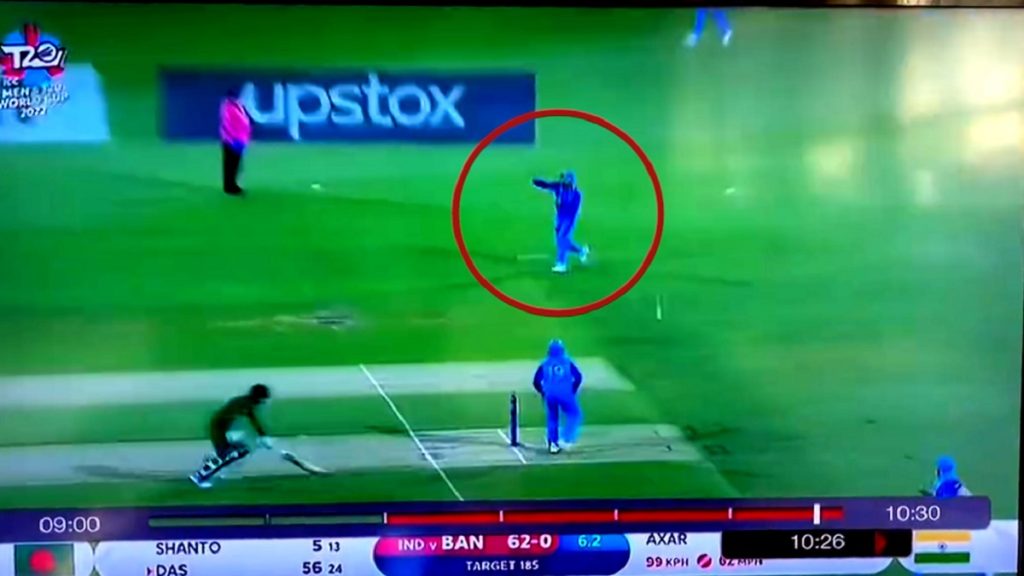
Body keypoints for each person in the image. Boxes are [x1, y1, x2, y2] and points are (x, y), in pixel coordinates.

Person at [189, 383, 273, 488]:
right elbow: (228, 417)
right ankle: (199, 476)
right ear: (258, 397)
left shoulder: (245, 402)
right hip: (219, 428)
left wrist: (262, 435)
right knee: (229, 454)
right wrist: (230, 434)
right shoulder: (244, 404)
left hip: (220, 427)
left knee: (241, 450)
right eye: (262, 399)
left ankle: (214, 461)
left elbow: (252, 418)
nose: (263, 402)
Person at [532, 171, 590, 274]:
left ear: (571, 182)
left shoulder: (576, 195)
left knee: (562, 239)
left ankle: (561, 264)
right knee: (561, 241)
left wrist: (567, 221)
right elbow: (547, 185)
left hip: (569, 219)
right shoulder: (559, 187)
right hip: (559, 218)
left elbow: (574, 211)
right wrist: (536, 182)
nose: (563, 181)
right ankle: (581, 251)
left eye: (566, 180)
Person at [533, 340, 583, 454]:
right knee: (574, 414)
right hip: (565, 392)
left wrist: (542, 392)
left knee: (552, 418)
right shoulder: (567, 361)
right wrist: (573, 390)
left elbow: (536, 381)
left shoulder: (545, 363)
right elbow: (578, 377)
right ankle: (566, 438)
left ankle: (553, 444)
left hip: (550, 394)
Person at [220, 86, 251, 196]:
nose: (235, 98)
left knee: (236, 164)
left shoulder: (237, 106)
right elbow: (228, 125)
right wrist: (232, 138)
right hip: (231, 140)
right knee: (230, 164)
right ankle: (229, 187)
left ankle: (233, 185)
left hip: (239, 139)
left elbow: (243, 121)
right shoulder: (228, 108)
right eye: (233, 97)